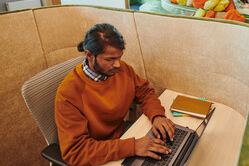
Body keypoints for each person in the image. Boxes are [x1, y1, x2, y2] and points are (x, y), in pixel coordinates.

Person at [55, 23, 176, 166]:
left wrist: (157, 116)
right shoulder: (68, 93)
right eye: (110, 59)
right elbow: (76, 152)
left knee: (171, 153)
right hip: (96, 152)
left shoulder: (121, 69)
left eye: (119, 57)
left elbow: (144, 91)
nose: (118, 64)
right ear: (89, 55)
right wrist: (133, 147)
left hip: (121, 136)